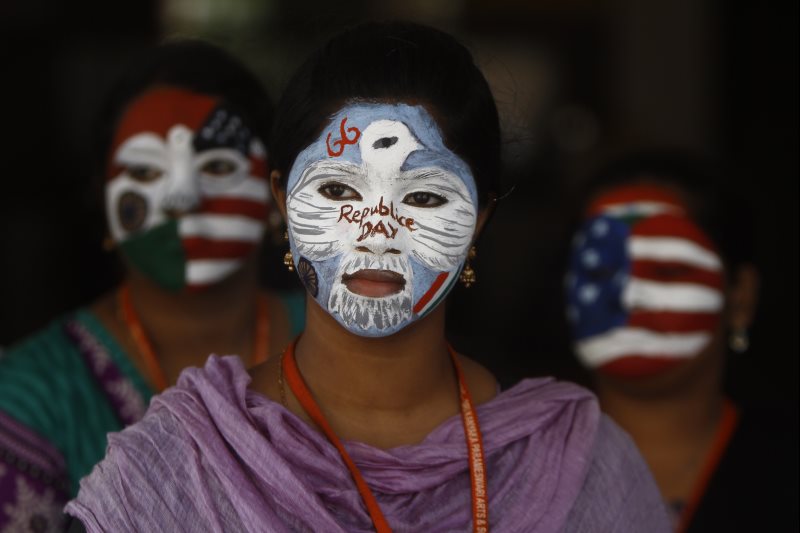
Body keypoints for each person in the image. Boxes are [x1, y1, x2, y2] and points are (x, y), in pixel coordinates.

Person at [65, 22, 669, 532]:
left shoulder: (582, 463)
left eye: (424, 197)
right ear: (282, 202)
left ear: (480, 218)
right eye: (336, 190)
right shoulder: (175, 469)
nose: (377, 231)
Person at [0, 40, 304, 531]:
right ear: (104, 203)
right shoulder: (29, 398)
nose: (182, 196)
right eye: (144, 171)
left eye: (218, 167)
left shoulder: (351, 348)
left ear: (277, 197)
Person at [563, 153, 797, 531]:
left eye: (667, 270)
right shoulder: (506, 462)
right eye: (601, 270)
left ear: (741, 296)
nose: (630, 296)